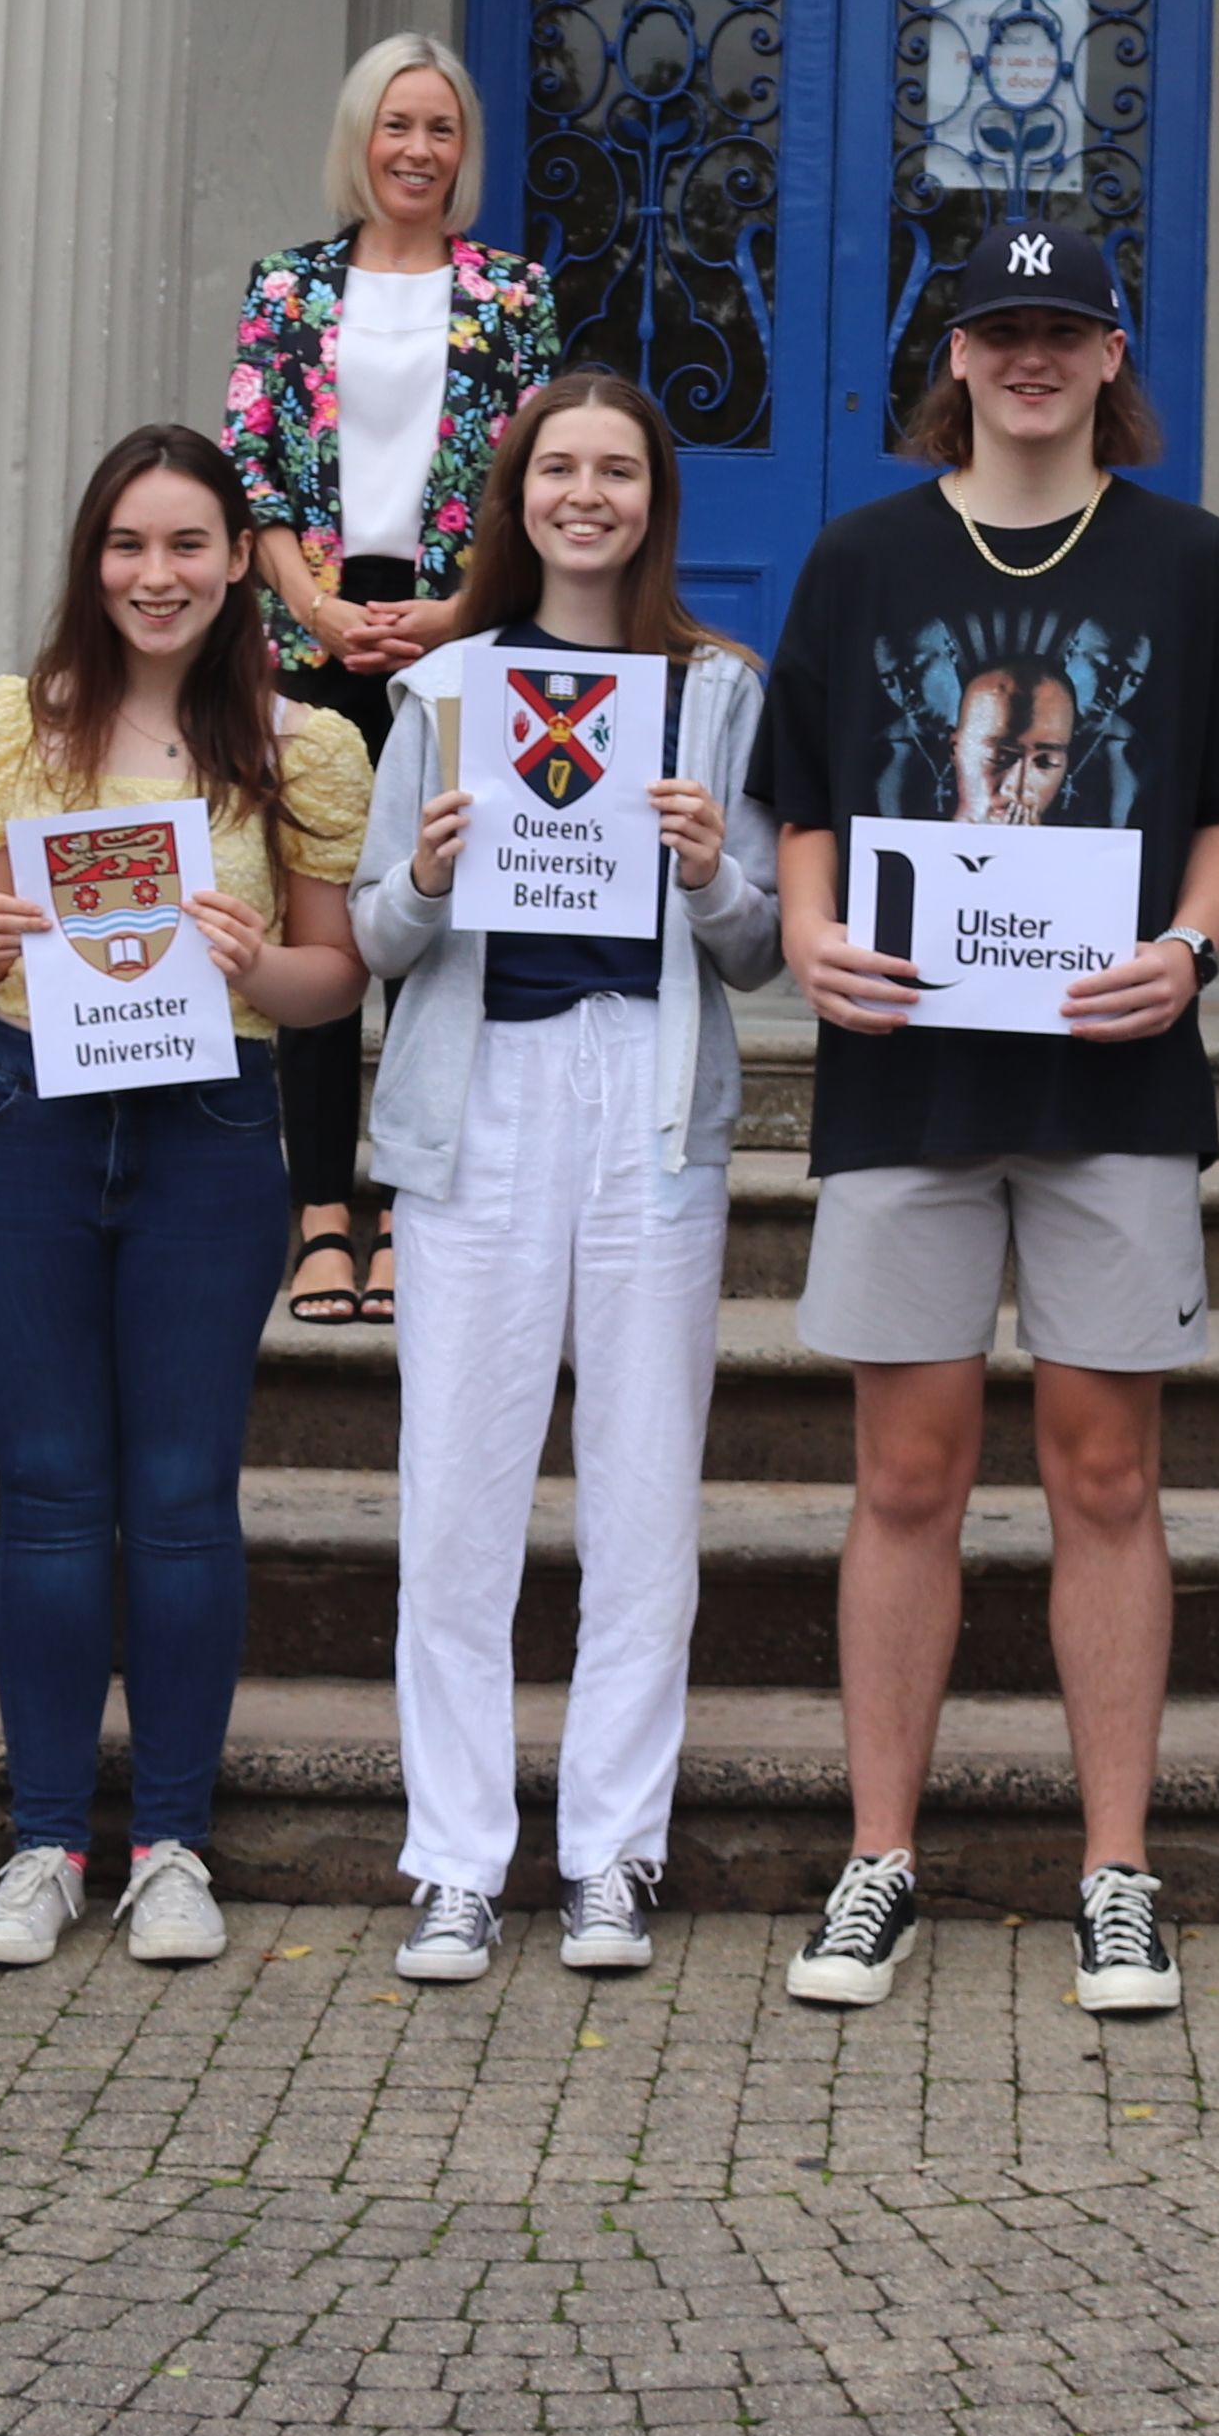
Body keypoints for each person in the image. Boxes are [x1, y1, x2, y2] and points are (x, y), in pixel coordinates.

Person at [757, 219, 1219, 2020]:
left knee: (1107, 1476)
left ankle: (1116, 1870)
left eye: (1067, 328)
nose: (1035, 357)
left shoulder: (1197, 563)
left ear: (1115, 352)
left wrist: (1194, 949)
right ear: (960, 357)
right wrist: (815, 938)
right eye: (1005, 330)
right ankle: (880, 1856)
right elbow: (810, 806)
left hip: (1112, 1067)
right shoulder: (860, 559)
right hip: (908, 1073)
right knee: (904, 1476)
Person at [350, 373, 784, 1984]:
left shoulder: (716, 691)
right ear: (515, 490)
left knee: (644, 1488)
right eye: (558, 468)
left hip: (648, 1104)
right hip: (481, 1102)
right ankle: (458, 1860)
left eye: (616, 470)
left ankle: (613, 1852)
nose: (585, 495)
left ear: (654, 497)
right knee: (458, 1492)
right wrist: (430, 874)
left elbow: (759, 951)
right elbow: (378, 937)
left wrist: (711, 869)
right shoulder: (448, 688)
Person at [0, 425, 371, 1972]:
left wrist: (263, 964)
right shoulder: (17, 721)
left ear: (241, 560)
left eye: (189, 544)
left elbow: (335, 985)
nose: (158, 575)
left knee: (183, 1498)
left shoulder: (300, 743)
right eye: (129, 545)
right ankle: (46, 1841)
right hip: (29, 1121)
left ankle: (172, 1843)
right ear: (91, 560)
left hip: (207, 1129)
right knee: (48, 1491)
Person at [226, 32, 565, 1326]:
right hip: (311, 633)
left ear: (463, 150)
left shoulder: (514, 297)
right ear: (358, 140)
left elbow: (545, 479)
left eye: (441, 129)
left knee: (435, 917)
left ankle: (420, 1207)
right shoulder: (289, 289)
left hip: (457, 632)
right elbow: (247, 466)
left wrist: (457, 614)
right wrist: (314, 606)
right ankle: (321, 1212)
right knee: (322, 925)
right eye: (396, 126)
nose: (418, 150)